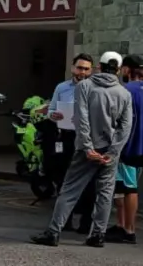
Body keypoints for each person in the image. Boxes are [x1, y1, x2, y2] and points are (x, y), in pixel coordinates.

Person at [31, 51, 132, 248]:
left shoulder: (85, 86)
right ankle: (97, 235)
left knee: (69, 191)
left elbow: (81, 119)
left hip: (86, 149)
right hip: (109, 152)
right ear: (118, 70)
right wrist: (112, 153)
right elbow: (125, 127)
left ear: (99, 67)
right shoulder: (124, 93)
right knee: (104, 194)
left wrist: (87, 147)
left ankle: (53, 233)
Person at [108, 55, 143, 244]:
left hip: (129, 147)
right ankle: (120, 225)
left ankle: (129, 230)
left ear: (127, 70)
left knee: (129, 189)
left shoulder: (126, 91)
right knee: (122, 187)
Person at [47, 53, 95, 233]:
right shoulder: (62, 87)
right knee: (63, 179)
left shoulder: (95, 89)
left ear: (91, 71)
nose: (82, 72)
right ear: (72, 68)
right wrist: (53, 115)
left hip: (87, 138)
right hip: (67, 136)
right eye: (79, 67)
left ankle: (86, 222)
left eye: (86, 69)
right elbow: (51, 109)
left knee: (89, 182)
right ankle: (64, 220)